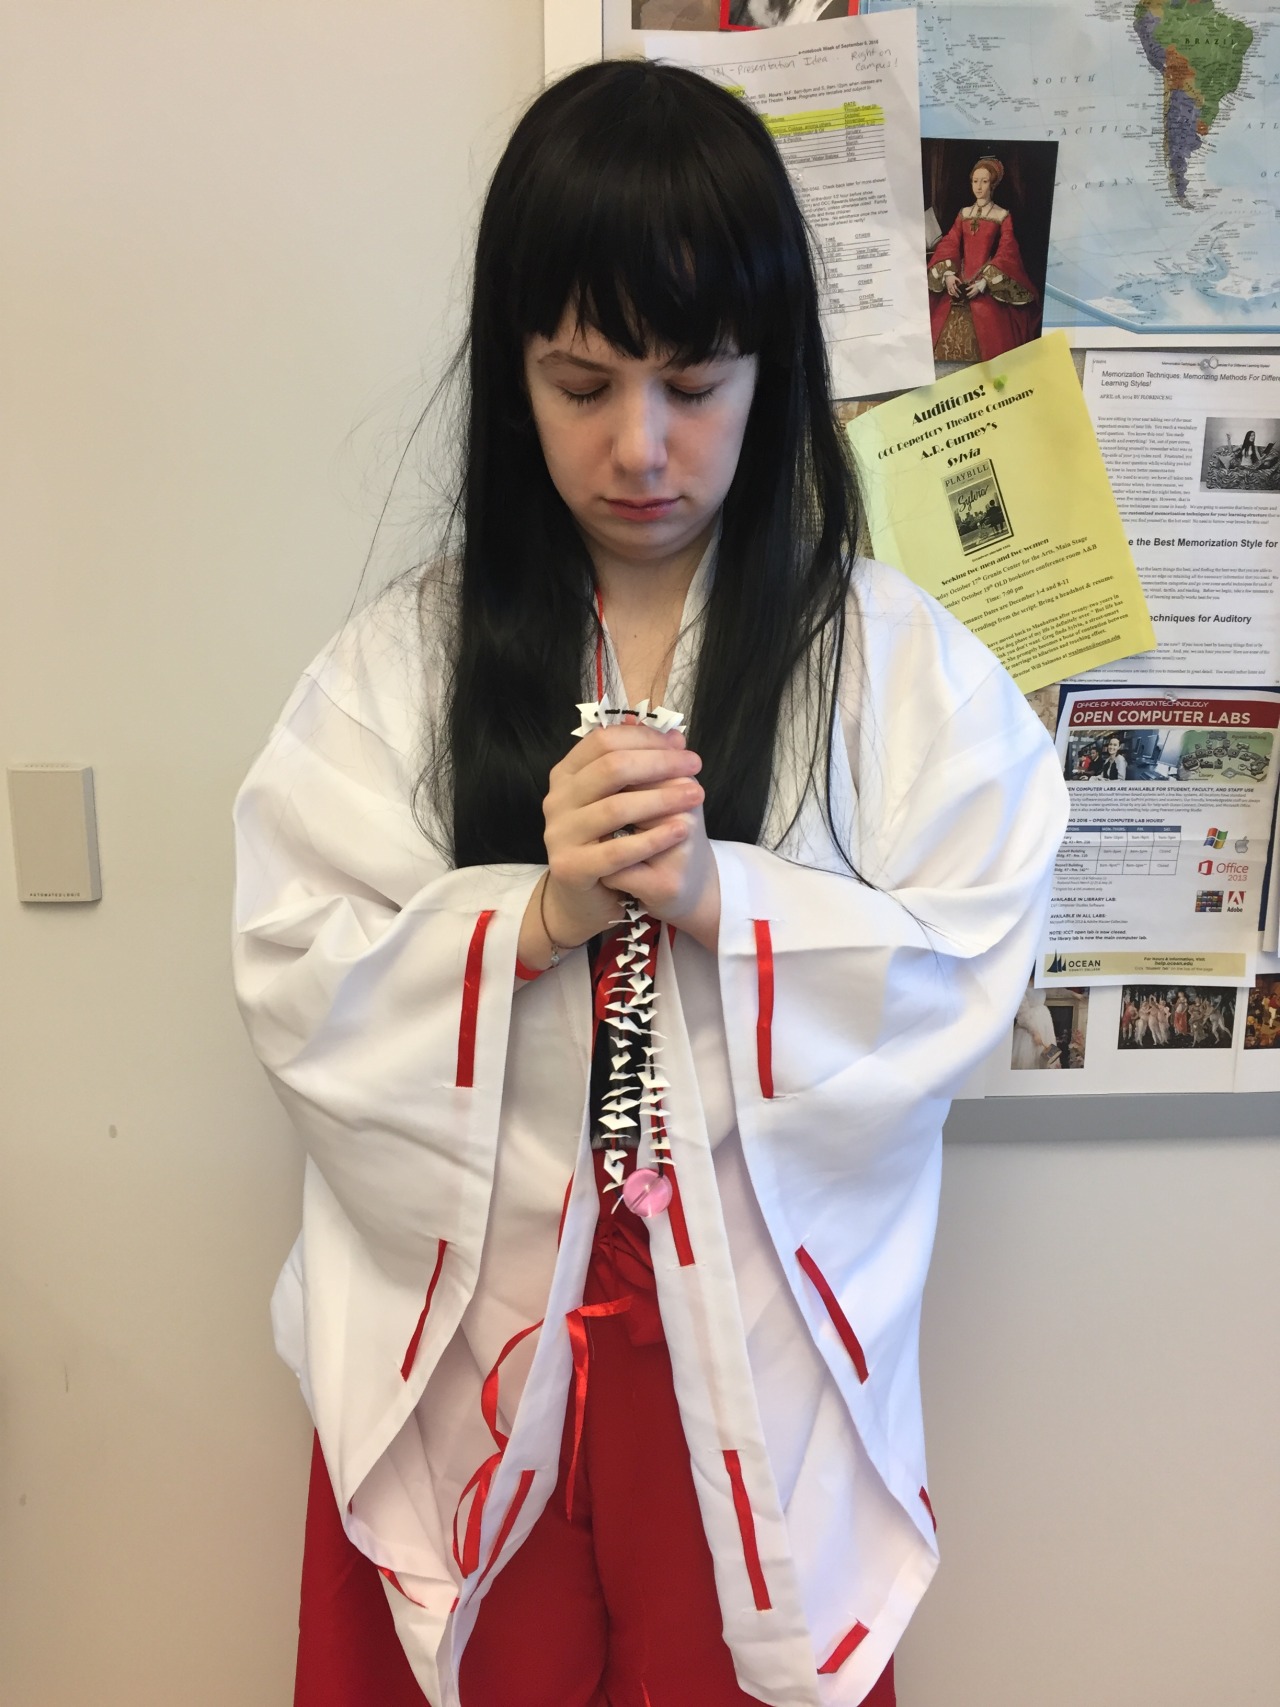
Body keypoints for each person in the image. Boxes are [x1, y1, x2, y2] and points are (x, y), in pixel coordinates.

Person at [233, 61, 1068, 1707]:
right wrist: (529, 920)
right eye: (581, 381)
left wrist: (724, 902)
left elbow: (972, 954)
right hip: (481, 1337)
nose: (640, 446)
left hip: (739, 1348)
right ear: (512, 375)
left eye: (694, 382)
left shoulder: (889, 664)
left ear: (774, 369)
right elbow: (294, 972)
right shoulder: (402, 664)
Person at [927, 157, 1039, 363]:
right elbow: (950, 242)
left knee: (992, 340)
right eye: (975, 181)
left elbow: (1007, 250)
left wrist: (984, 282)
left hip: (983, 283)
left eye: (984, 181)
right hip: (959, 281)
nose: (978, 187)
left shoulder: (1002, 215)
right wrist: (949, 275)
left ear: (992, 184)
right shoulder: (964, 213)